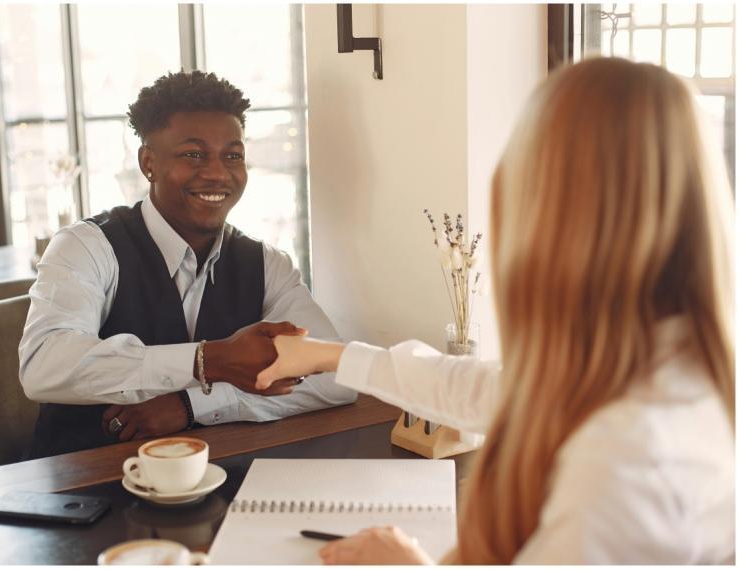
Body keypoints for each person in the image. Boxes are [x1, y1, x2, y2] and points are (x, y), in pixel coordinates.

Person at [256, 57, 735, 564]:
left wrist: (404, 563)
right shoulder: (660, 368)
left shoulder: (628, 466)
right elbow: (493, 390)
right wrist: (328, 355)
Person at [19, 70, 356, 459]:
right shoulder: (86, 246)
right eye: (193, 154)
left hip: (217, 480)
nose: (216, 172)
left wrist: (191, 406)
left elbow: (336, 375)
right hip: (84, 482)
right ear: (148, 163)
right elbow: (44, 364)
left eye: (233, 155)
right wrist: (208, 361)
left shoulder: (267, 264)